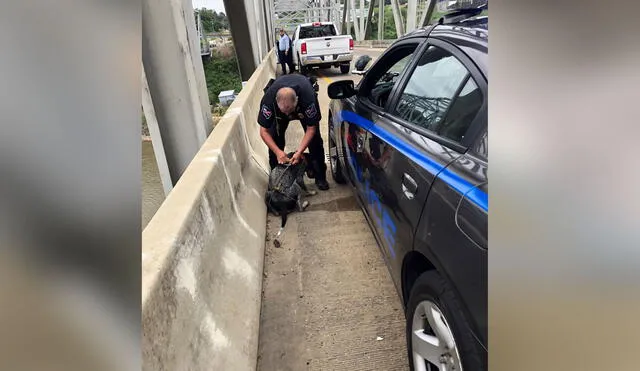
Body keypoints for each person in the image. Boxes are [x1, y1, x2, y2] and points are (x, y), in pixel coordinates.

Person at [258, 74, 329, 190]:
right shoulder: (268, 101)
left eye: (290, 111)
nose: (288, 115)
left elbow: (311, 129)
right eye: (284, 112)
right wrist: (278, 152)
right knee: (275, 139)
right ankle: (277, 181)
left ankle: (320, 176)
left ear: (296, 100)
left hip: (301, 107)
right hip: (278, 115)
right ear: (276, 102)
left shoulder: (307, 98)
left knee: (315, 141)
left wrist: (299, 151)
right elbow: (263, 131)